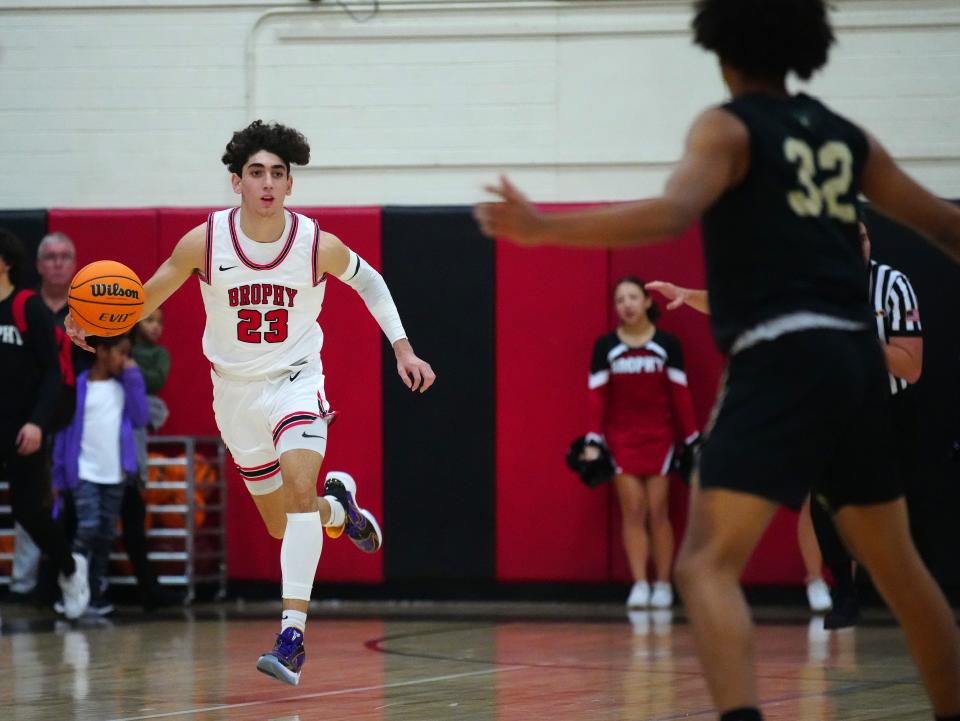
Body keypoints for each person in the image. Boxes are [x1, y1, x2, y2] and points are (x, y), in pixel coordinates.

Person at [474, 1, 960, 719]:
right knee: (902, 570)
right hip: (858, 360)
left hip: (780, 353)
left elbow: (674, 210)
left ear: (720, 45)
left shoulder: (726, 127)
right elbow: (948, 224)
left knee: (703, 565)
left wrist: (545, 228)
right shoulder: (845, 136)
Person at [65, 120, 435, 686]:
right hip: (234, 392)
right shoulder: (205, 242)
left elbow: (371, 282)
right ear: (236, 182)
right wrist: (91, 320)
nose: (267, 183)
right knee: (283, 522)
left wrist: (404, 350)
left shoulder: (315, 244)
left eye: (278, 174)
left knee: (298, 488)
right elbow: (144, 296)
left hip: (296, 380)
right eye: (256, 173)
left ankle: (292, 638)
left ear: (290, 185)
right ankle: (342, 511)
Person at [813, 218, 923, 629]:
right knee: (824, 506)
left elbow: (912, 368)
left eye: (860, 238)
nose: (855, 247)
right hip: (832, 410)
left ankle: (900, 591)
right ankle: (843, 590)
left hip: (885, 408)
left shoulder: (893, 286)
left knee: (885, 509)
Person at [587, 276, 698, 609]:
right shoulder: (606, 347)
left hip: (659, 438)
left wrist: (692, 438)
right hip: (622, 440)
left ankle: (663, 584)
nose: (627, 304)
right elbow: (596, 398)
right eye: (620, 300)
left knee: (658, 511)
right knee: (632, 511)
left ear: (648, 302)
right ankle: (639, 583)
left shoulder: (667, 344)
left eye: (633, 297)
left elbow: (681, 396)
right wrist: (593, 440)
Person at [0, 228, 89, 619]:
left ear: (6, 262)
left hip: (25, 428)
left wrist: (37, 423)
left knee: (28, 512)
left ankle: (70, 567)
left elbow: (53, 374)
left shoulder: (26, 306)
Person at [52, 333, 149, 616]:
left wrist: (133, 376)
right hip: (83, 471)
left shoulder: (124, 386)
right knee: (88, 527)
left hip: (115, 472)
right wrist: (57, 476)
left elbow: (141, 416)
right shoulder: (79, 386)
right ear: (102, 351)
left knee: (106, 534)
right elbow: (63, 433)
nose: (126, 360)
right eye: (121, 353)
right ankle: (70, 584)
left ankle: (93, 594)